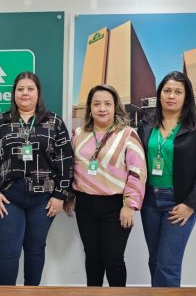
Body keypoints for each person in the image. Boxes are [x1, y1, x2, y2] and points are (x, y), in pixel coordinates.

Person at [0, 71, 73, 286]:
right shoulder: (0, 122)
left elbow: (65, 160)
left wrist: (60, 195)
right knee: (7, 252)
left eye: (30, 89)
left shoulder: (54, 122)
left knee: (34, 249)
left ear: (38, 93)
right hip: (8, 197)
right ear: (14, 93)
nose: (25, 93)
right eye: (20, 89)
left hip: (44, 198)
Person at [64, 84, 146, 287]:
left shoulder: (127, 134)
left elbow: (137, 171)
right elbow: (69, 167)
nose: (102, 108)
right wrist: (69, 196)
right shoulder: (78, 134)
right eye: (97, 104)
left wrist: (130, 205)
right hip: (85, 205)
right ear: (90, 108)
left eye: (107, 104)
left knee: (113, 259)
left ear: (115, 106)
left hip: (116, 207)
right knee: (92, 258)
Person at [137, 71, 196, 287]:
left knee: (168, 264)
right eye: (167, 90)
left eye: (178, 92)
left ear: (186, 97)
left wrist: (190, 204)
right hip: (149, 201)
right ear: (160, 94)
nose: (172, 96)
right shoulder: (145, 125)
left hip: (179, 201)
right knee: (155, 260)